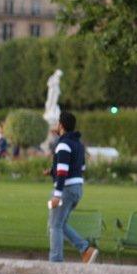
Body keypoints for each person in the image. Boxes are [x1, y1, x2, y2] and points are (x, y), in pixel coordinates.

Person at [48, 111, 98, 264]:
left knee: (54, 226)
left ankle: (56, 262)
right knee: (60, 224)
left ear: (61, 125)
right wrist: (51, 172)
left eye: (58, 123)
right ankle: (85, 250)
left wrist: (57, 194)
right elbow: (79, 168)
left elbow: (63, 171)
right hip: (77, 189)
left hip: (65, 190)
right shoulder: (78, 144)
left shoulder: (63, 144)